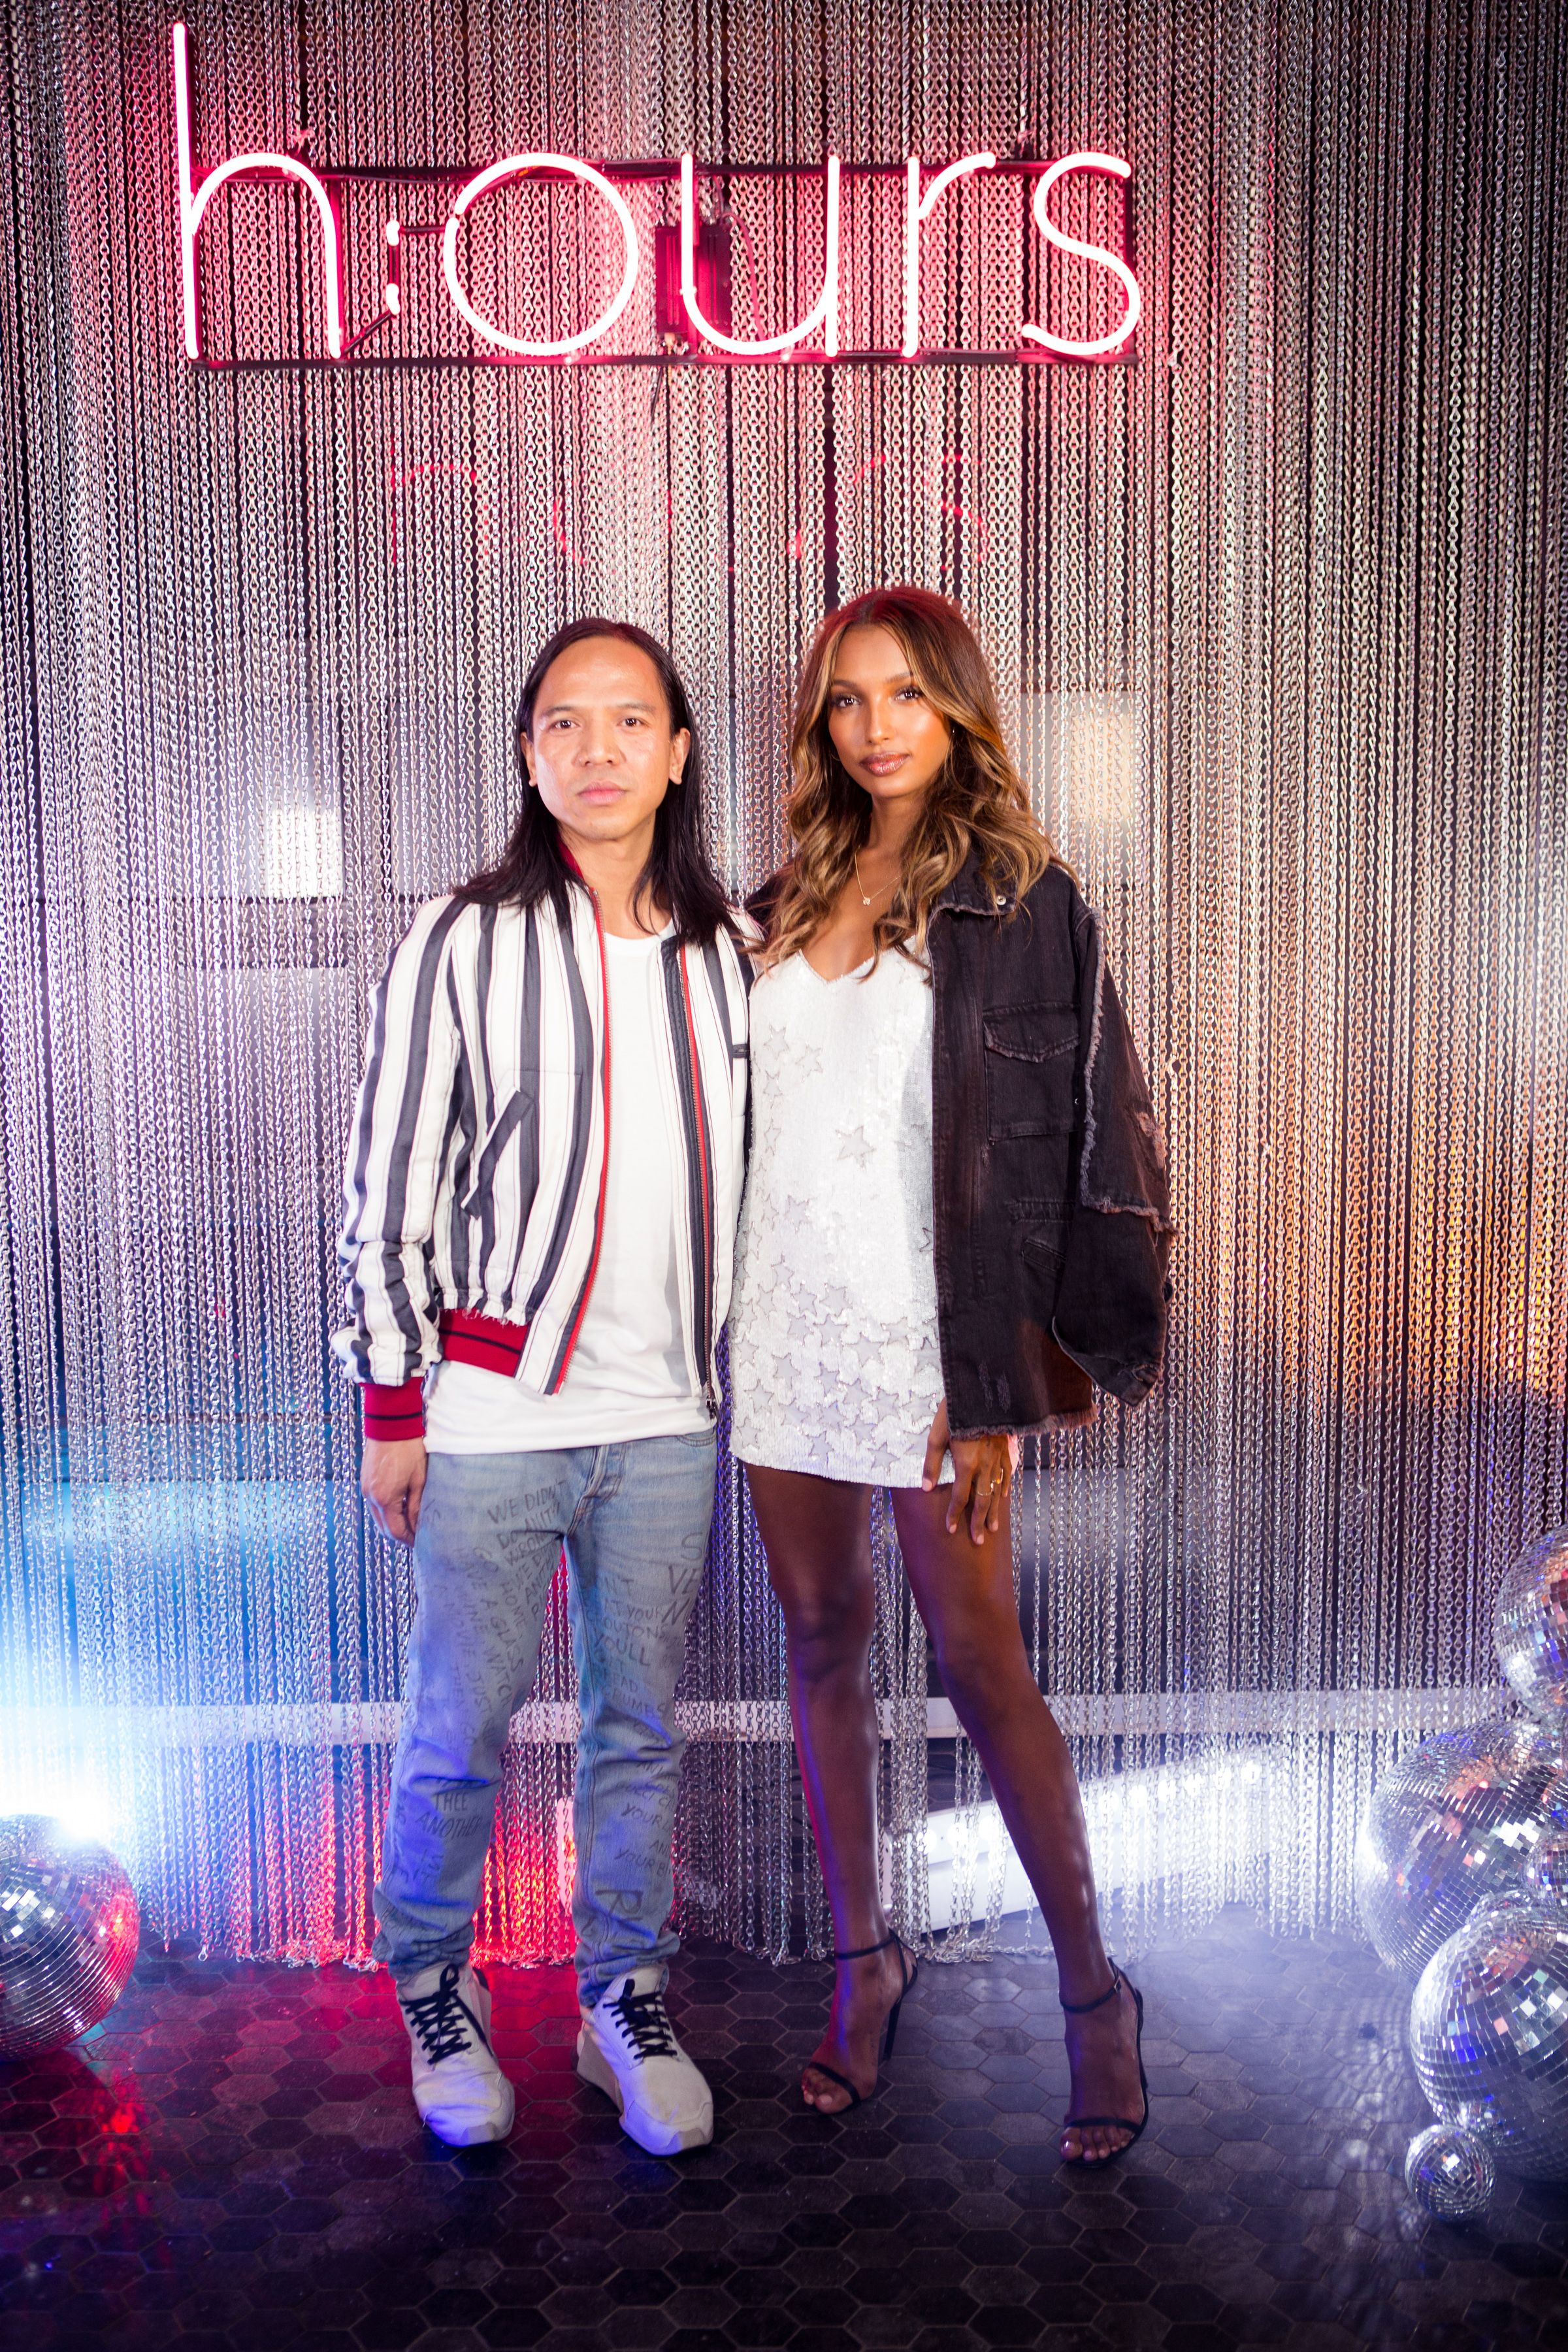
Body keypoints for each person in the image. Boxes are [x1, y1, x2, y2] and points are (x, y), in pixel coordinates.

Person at [729, 585, 1173, 2164]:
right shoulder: (780, 896)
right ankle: (867, 1964)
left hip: (935, 1347)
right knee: (822, 1641)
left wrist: (997, 1389)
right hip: (782, 1328)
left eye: (908, 693)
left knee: (983, 1667)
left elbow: (1070, 1152)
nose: (877, 726)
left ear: (961, 708)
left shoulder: (1026, 900)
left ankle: (1092, 1994)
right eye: (848, 699)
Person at [335, 619, 752, 2153]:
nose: (596, 749)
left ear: (678, 753)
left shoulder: (732, 953)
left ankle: (619, 2001)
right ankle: (436, 1989)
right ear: (528, 754)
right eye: (564, 722)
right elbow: (390, 1183)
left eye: (629, 720)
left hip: (666, 1422)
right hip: (493, 1418)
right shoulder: (462, 936)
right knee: (461, 1727)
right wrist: (395, 1411)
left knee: (638, 1729)